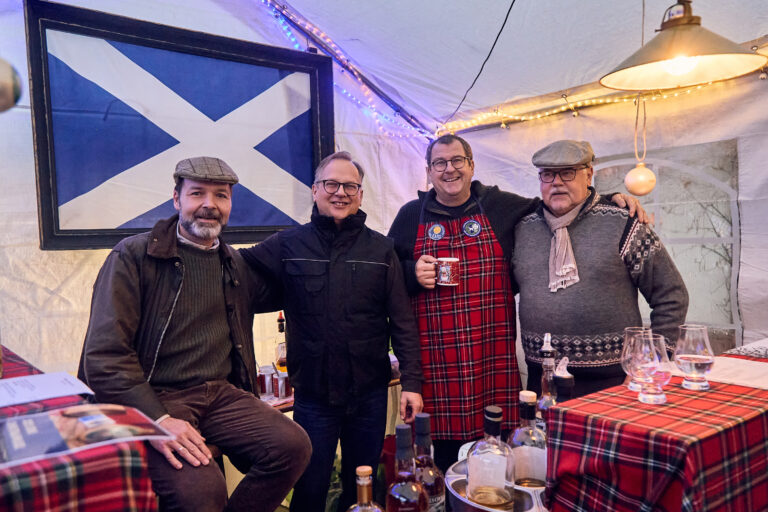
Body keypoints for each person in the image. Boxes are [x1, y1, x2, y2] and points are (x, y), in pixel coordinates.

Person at [387, 134, 648, 474]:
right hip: (436, 365)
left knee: (498, 457)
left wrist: (608, 200)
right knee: (441, 462)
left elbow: (560, 202)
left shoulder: (501, 206)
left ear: (471, 166)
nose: (449, 169)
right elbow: (387, 278)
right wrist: (411, 272)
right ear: (428, 171)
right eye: (440, 163)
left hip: (491, 361)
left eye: (457, 161)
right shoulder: (410, 216)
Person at [78, 157, 311, 512]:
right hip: (155, 395)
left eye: (221, 196)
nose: (209, 204)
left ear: (230, 204)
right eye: (197, 193)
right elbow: (104, 356)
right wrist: (158, 419)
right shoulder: (133, 256)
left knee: (294, 446)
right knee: (202, 492)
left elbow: (292, 288)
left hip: (220, 395)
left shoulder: (234, 264)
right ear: (176, 199)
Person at [239, 151, 424, 512]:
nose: (340, 192)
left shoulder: (381, 249)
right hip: (314, 398)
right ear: (314, 190)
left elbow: (402, 321)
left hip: (370, 396)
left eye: (350, 186)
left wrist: (412, 383)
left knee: (362, 489)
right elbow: (236, 266)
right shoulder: (288, 245)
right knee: (309, 489)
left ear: (360, 194)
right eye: (331, 184)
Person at [512, 140, 688, 397]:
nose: (556, 182)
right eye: (547, 174)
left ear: (589, 175)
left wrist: (649, 362)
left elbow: (672, 295)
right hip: (541, 381)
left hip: (614, 381)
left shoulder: (624, 222)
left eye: (567, 173)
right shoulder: (522, 229)